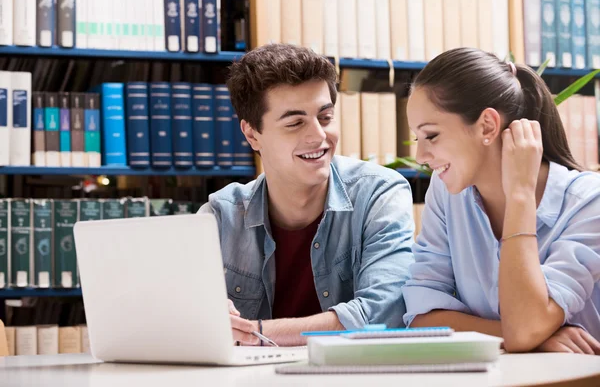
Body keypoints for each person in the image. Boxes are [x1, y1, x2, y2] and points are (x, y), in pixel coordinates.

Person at [198, 43, 415, 347]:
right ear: (251, 134)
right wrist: (205, 317)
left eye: (325, 117)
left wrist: (251, 333)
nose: (319, 136)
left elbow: (384, 313)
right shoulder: (220, 216)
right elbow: (183, 318)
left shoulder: (379, 194)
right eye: (295, 123)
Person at [402, 47, 600, 354]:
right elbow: (421, 318)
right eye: (418, 138)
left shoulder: (589, 201)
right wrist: (537, 337)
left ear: (487, 126)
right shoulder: (446, 196)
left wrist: (520, 195)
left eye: (432, 136)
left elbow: (523, 330)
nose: (421, 157)